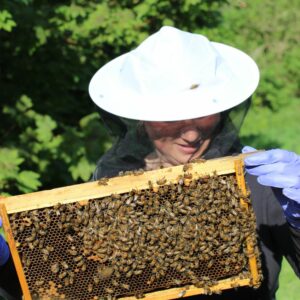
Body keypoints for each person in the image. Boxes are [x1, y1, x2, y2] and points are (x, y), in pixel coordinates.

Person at [0, 26, 299, 300]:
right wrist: (6, 266)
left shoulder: (259, 184)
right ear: (142, 116)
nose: (192, 133)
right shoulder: (112, 185)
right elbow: (72, 288)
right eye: (172, 117)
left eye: (203, 111)